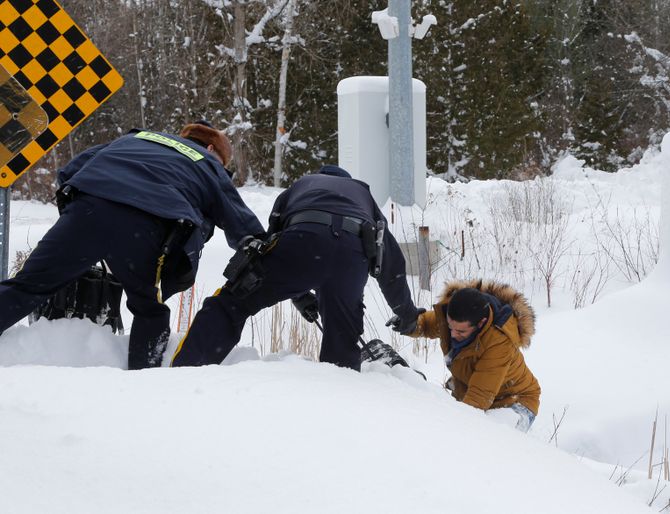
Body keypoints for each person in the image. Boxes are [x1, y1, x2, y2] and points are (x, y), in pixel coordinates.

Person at [0, 121, 264, 369]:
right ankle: (141, 382)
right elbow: (243, 226)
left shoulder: (137, 137)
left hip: (91, 208)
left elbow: (71, 170)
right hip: (147, 224)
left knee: (27, 285)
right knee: (149, 309)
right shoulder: (208, 163)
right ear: (210, 148)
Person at [171, 164, 420, 371]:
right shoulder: (363, 196)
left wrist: (297, 293)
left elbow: (273, 245)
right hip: (351, 255)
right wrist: (407, 316)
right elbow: (392, 266)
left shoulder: (302, 185)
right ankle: (339, 402)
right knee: (342, 338)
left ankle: (188, 370)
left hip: (302, 238)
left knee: (231, 304)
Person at [388, 280, 540, 432]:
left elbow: (478, 399)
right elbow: (429, 323)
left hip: (515, 401)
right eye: (450, 328)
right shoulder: (457, 314)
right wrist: (411, 323)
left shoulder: (499, 342)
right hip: (474, 391)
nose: (453, 335)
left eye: (460, 332)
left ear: (481, 323)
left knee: (486, 437)